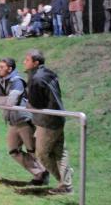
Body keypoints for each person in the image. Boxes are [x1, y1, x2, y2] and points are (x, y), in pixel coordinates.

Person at [23, 49, 73, 194]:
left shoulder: (36, 79)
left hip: (47, 122)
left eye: (27, 60)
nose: (24, 62)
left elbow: (36, 103)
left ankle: (64, 183)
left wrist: (28, 105)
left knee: (42, 154)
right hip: (58, 118)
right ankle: (66, 183)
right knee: (59, 152)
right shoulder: (49, 73)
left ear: (35, 63)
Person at [0, 58, 48, 185]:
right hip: (12, 122)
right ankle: (39, 173)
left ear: (10, 69)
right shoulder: (0, 82)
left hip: (24, 120)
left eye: (2, 67)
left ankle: (55, 173)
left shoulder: (17, 81)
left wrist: (2, 101)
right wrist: (3, 101)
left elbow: (10, 102)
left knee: (33, 151)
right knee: (13, 151)